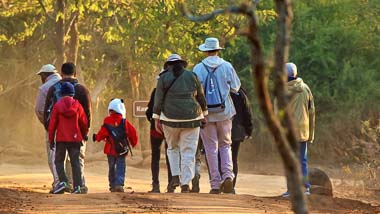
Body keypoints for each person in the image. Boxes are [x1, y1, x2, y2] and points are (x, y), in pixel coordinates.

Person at [153, 54, 208, 193]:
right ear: (182, 64)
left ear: (168, 65)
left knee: (172, 148)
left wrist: (156, 118)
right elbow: (200, 96)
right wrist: (204, 114)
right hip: (192, 118)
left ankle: (175, 176)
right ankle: (185, 184)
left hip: (169, 119)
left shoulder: (163, 78)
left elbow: (158, 99)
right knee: (188, 151)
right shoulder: (192, 76)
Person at [193, 37, 241, 194]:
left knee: (210, 148)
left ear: (205, 51)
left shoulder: (198, 68)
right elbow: (236, 87)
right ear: (218, 50)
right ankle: (228, 176)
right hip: (225, 112)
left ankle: (215, 183)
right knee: (225, 145)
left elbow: (193, 93)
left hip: (205, 114)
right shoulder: (227, 66)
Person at [44, 62, 92, 193]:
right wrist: (85, 133)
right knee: (77, 161)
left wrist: (51, 136)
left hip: (60, 136)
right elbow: (86, 116)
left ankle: (62, 182)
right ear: (75, 74)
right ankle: (78, 186)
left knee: (59, 161)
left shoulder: (54, 90)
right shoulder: (82, 91)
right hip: (77, 136)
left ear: (61, 73)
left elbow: (49, 117)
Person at [275, 62, 315, 197]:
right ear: (296, 74)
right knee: (302, 160)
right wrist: (311, 134)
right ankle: (305, 188)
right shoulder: (305, 89)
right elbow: (312, 112)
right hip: (303, 131)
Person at [93, 98, 138, 192]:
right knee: (121, 165)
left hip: (110, 149)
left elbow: (103, 133)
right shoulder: (124, 121)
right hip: (121, 150)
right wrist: (134, 143)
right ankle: (119, 184)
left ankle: (112, 185)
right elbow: (132, 132)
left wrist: (96, 137)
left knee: (111, 166)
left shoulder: (107, 120)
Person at [34, 64, 62, 193]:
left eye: (41, 75)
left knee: (53, 153)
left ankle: (58, 182)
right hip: (72, 127)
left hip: (53, 126)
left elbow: (39, 110)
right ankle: (74, 183)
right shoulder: (67, 83)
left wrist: (47, 124)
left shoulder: (44, 88)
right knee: (70, 154)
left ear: (45, 75)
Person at [146, 87, 173, 193]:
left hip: (155, 128)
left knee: (155, 156)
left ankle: (155, 185)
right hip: (170, 126)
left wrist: (153, 121)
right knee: (171, 154)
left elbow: (149, 111)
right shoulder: (174, 90)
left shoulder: (156, 91)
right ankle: (171, 184)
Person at [228, 87, 253, 194]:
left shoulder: (219, 88)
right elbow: (247, 112)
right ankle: (231, 186)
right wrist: (249, 130)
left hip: (219, 127)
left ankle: (217, 184)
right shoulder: (240, 92)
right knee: (233, 158)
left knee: (219, 156)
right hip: (237, 130)